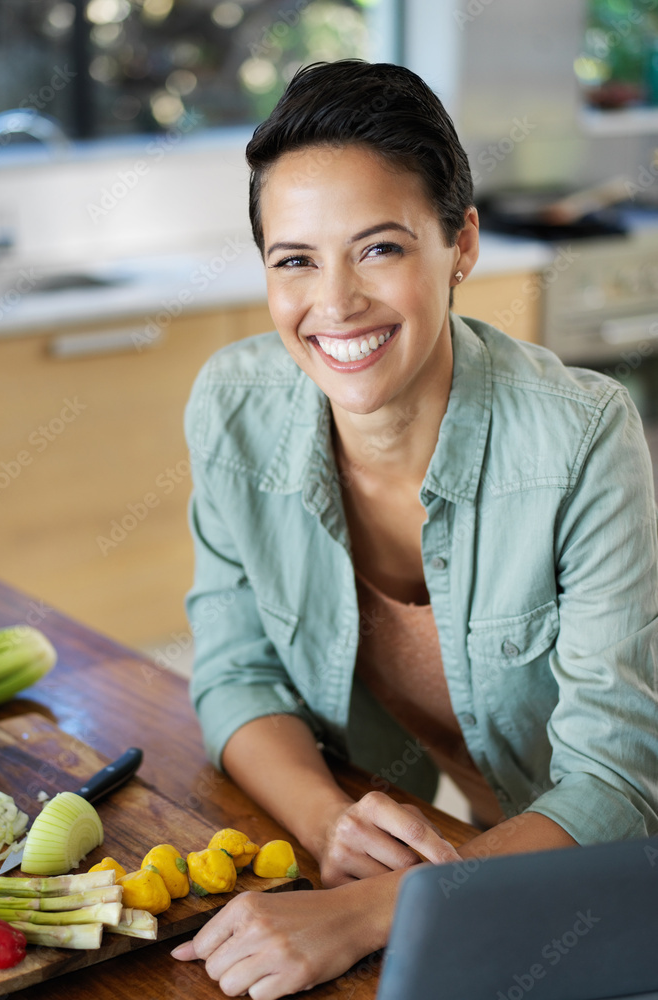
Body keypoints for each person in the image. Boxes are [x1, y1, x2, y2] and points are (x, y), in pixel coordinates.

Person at [171, 59, 658, 998]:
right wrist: (328, 826)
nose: (337, 302)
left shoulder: (581, 435)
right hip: (489, 848)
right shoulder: (233, 406)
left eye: (381, 248)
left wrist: (361, 912)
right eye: (296, 261)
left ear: (461, 244)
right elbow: (235, 671)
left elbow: (618, 783)